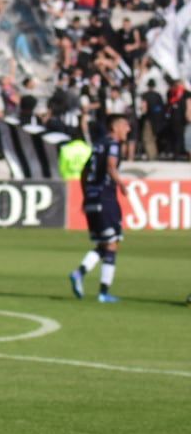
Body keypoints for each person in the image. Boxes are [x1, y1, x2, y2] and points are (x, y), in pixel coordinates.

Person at [69, 113, 131, 304]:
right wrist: (121, 183)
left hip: (92, 199)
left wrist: (86, 194)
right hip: (106, 198)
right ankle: (100, 291)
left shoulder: (97, 145)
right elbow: (112, 166)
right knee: (112, 243)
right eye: (125, 126)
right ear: (116, 127)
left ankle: (82, 276)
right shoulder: (113, 145)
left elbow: (84, 171)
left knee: (104, 244)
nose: (128, 130)